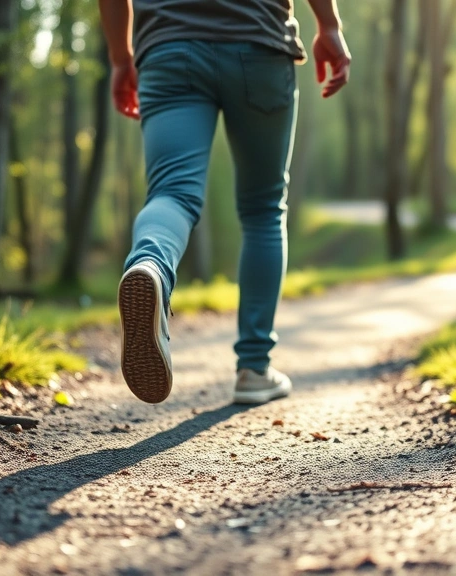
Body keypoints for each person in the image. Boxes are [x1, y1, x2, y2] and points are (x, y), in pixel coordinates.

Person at [98, 0, 352, 405]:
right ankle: (254, 368)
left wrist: (120, 58)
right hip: (259, 40)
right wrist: (329, 25)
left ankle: (151, 267)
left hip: (168, 46)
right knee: (263, 209)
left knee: (172, 193)